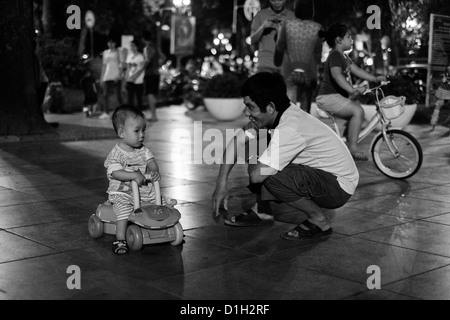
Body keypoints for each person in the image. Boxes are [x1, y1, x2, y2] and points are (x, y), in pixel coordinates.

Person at [212, 72, 359, 240]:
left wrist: (258, 157)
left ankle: (319, 220)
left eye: (251, 107)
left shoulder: (290, 127)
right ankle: (262, 211)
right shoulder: (280, 115)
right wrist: (220, 185)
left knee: (268, 174)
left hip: (338, 186)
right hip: (323, 176)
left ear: (270, 107)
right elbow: (237, 142)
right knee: (255, 144)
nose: (246, 113)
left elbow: (257, 177)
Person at [315, 24, 386, 161]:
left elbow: (357, 70)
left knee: (362, 122)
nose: (352, 40)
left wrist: (375, 78)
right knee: (357, 111)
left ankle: (345, 143)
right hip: (328, 97)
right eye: (348, 37)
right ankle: (352, 147)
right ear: (339, 40)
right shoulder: (335, 55)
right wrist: (352, 89)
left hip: (336, 97)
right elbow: (337, 75)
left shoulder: (344, 57)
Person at [104, 105, 161, 254]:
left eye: (143, 130)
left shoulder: (143, 150)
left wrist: (154, 171)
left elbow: (151, 162)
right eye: (137, 131)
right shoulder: (117, 154)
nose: (142, 135)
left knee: (160, 202)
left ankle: (162, 227)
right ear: (122, 133)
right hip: (122, 193)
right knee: (124, 211)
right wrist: (134, 175)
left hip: (142, 190)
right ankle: (120, 239)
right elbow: (115, 173)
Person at [274, 0, 323, 113]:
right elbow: (318, 55)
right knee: (305, 110)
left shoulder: (287, 24)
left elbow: (280, 46)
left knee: (290, 109)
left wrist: (278, 61)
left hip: (289, 70)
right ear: (312, 11)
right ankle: (303, 130)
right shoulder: (318, 27)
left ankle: (291, 129)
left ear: (296, 9)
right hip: (309, 72)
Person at [250, 0, 295, 74]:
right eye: (273, 0)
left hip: (285, 64)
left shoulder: (292, 16)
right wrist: (262, 27)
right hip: (265, 63)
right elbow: (251, 40)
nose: (277, 2)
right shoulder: (260, 15)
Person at [99, 38, 123, 120]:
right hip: (107, 75)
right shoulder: (105, 52)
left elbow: (121, 64)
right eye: (109, 42)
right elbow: (104, 65)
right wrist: (101, 77)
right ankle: (106, 112)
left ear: (115, 43)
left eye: (112, 42)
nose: (110, 44)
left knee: (118, 95)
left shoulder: (118, 52)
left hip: (116, 75)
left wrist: (119, 75)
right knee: (105, 94)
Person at [143, 31, 164, 122]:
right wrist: (158, 65)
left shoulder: (147, 48)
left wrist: (142, 68)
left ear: (143, 39)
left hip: (150, 73)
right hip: (156, 73)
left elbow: (147, 60)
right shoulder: (155, 47)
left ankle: (153, 116)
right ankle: (154, 115)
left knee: (150, 94)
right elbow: (163, 57)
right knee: (153, 95)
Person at [125, 40, 146, 110]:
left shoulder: (141, 56)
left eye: (133, 46)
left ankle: (139, 116)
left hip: (139, 80)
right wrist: (127, 78)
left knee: (139, 99)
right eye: (131, 46)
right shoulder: (129, 56)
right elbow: (128, 68)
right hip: (130, 80)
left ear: (137, 47)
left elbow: (142, 69)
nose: (131, 47)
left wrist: (135, 77)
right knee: (129, 99)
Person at [430, 64, 450, 130]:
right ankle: (433, 122)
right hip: (445, 91)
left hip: (444, 91)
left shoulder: (447, 71)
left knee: (437, 107)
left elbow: (443, 80)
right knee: (438, 107)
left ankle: (433, 122)